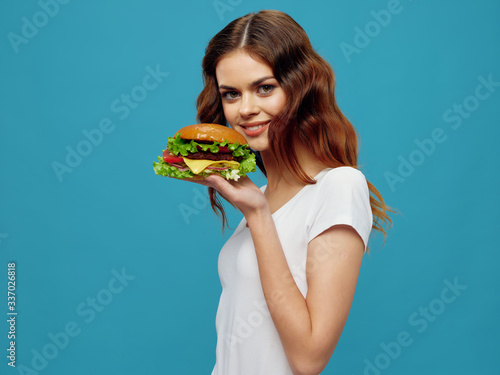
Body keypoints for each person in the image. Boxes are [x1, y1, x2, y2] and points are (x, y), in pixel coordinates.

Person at [182, 9, 393, 375]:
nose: (245, 110)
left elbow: (309, 359)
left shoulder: (339, 186)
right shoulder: (260, 195)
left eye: (265, 88)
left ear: (299, 87)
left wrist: (258, 215)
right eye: (231, 94)